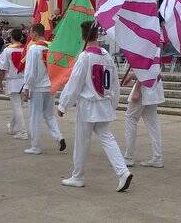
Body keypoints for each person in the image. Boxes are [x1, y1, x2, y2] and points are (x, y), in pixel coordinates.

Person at [57, 21, 133, 192]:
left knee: (82, 141)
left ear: (83, 36)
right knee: (107, 138)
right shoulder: (106, 56)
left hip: (88, 105)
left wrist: (63, 104)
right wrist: (113, 102)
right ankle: (123, 172)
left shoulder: (85, 57)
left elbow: (74, 82)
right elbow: (114, 83)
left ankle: (78, 176)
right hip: (104, 103)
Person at [23, 23, 66, 154]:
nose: (30, 35)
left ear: (35, 33)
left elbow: (30, 71)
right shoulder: (52, 46)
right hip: (50, 84)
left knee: (35, 116)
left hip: (38, 86)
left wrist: (27, 86)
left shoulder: (34, 49)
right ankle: (59, 136)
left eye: (31, 32)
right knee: (49, 115)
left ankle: (35, 146)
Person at [122, 72, 165, 168]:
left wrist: (136, 89)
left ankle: (129, 157)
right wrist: (132, 75)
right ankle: (157, 156)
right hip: (153, 86)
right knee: (153, 123)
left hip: (144, 87)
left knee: (130, 119)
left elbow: (144, 69)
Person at [0, 28, 29, 140]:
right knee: (18, 106)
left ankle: (23, 132)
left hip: (13, 80)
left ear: (11, 37)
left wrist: (0, 82)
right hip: (24, 80)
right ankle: (11, 126)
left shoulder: (7, 50)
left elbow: (2, 68)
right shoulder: (26, 49)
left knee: (17, 107)